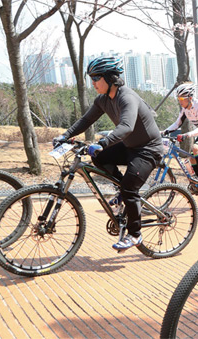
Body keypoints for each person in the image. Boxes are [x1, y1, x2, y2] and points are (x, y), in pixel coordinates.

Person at [53, 56, 164, 251]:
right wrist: (65, 135)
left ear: (109, 78)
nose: (93, 83)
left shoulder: (126, 97)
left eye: (96, 78)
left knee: (130, 188)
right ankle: (121, 190)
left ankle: (135, 235)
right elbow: (85, 120)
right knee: (99, 157)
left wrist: (103, 142)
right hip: (129, 147)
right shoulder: (103, 100)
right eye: (91, 78)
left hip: (148, 149)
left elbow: (126, 127)